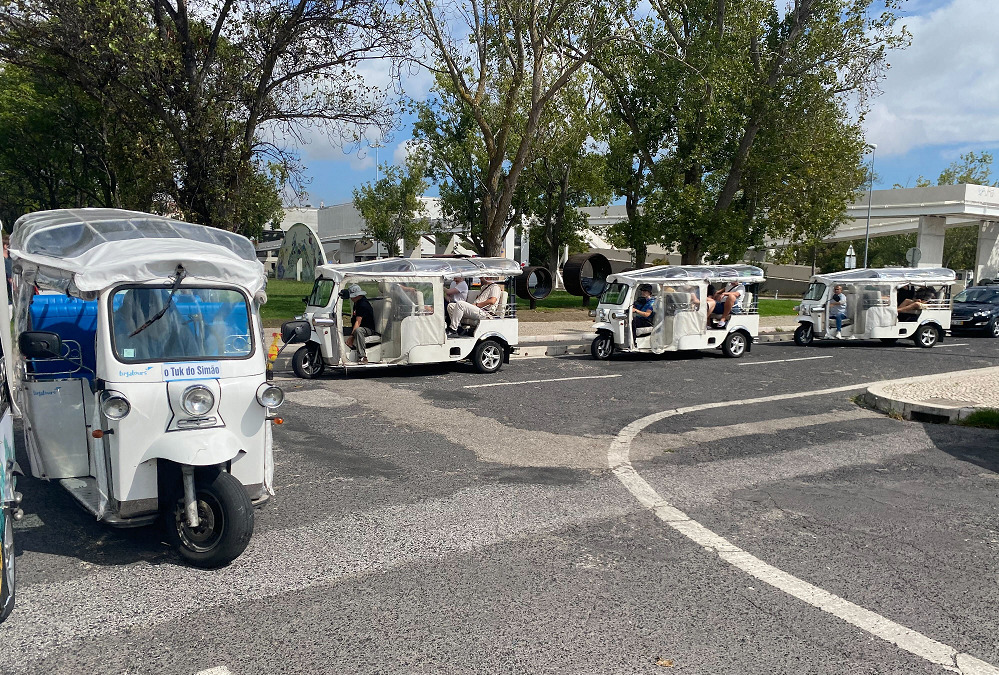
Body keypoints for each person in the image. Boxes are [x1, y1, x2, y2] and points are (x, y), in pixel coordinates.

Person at [343, 284, 377, 364]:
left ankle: (362, 357)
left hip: (368, 329)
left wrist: (351, 336)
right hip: (362, 327)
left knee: (358, 330)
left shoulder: (363, 304)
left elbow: (358, 322)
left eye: (352, 296)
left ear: (357, 295)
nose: (351, 298)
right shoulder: (357, 303)